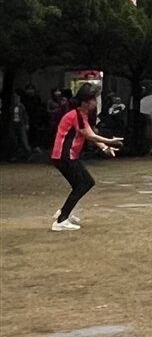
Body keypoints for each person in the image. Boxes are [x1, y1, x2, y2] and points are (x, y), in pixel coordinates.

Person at [50, 84, 122, 231]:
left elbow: (89, 135)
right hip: (64, 156)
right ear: (86, 102)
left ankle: (64, 212)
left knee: (82, 184)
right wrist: (110, 141)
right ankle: (61, 220)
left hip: (66, 156)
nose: (95, 103)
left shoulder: (82, 115)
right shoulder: (76, 115)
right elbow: (90, 135)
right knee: (84, 184)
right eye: (94, 100)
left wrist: (105, 147)